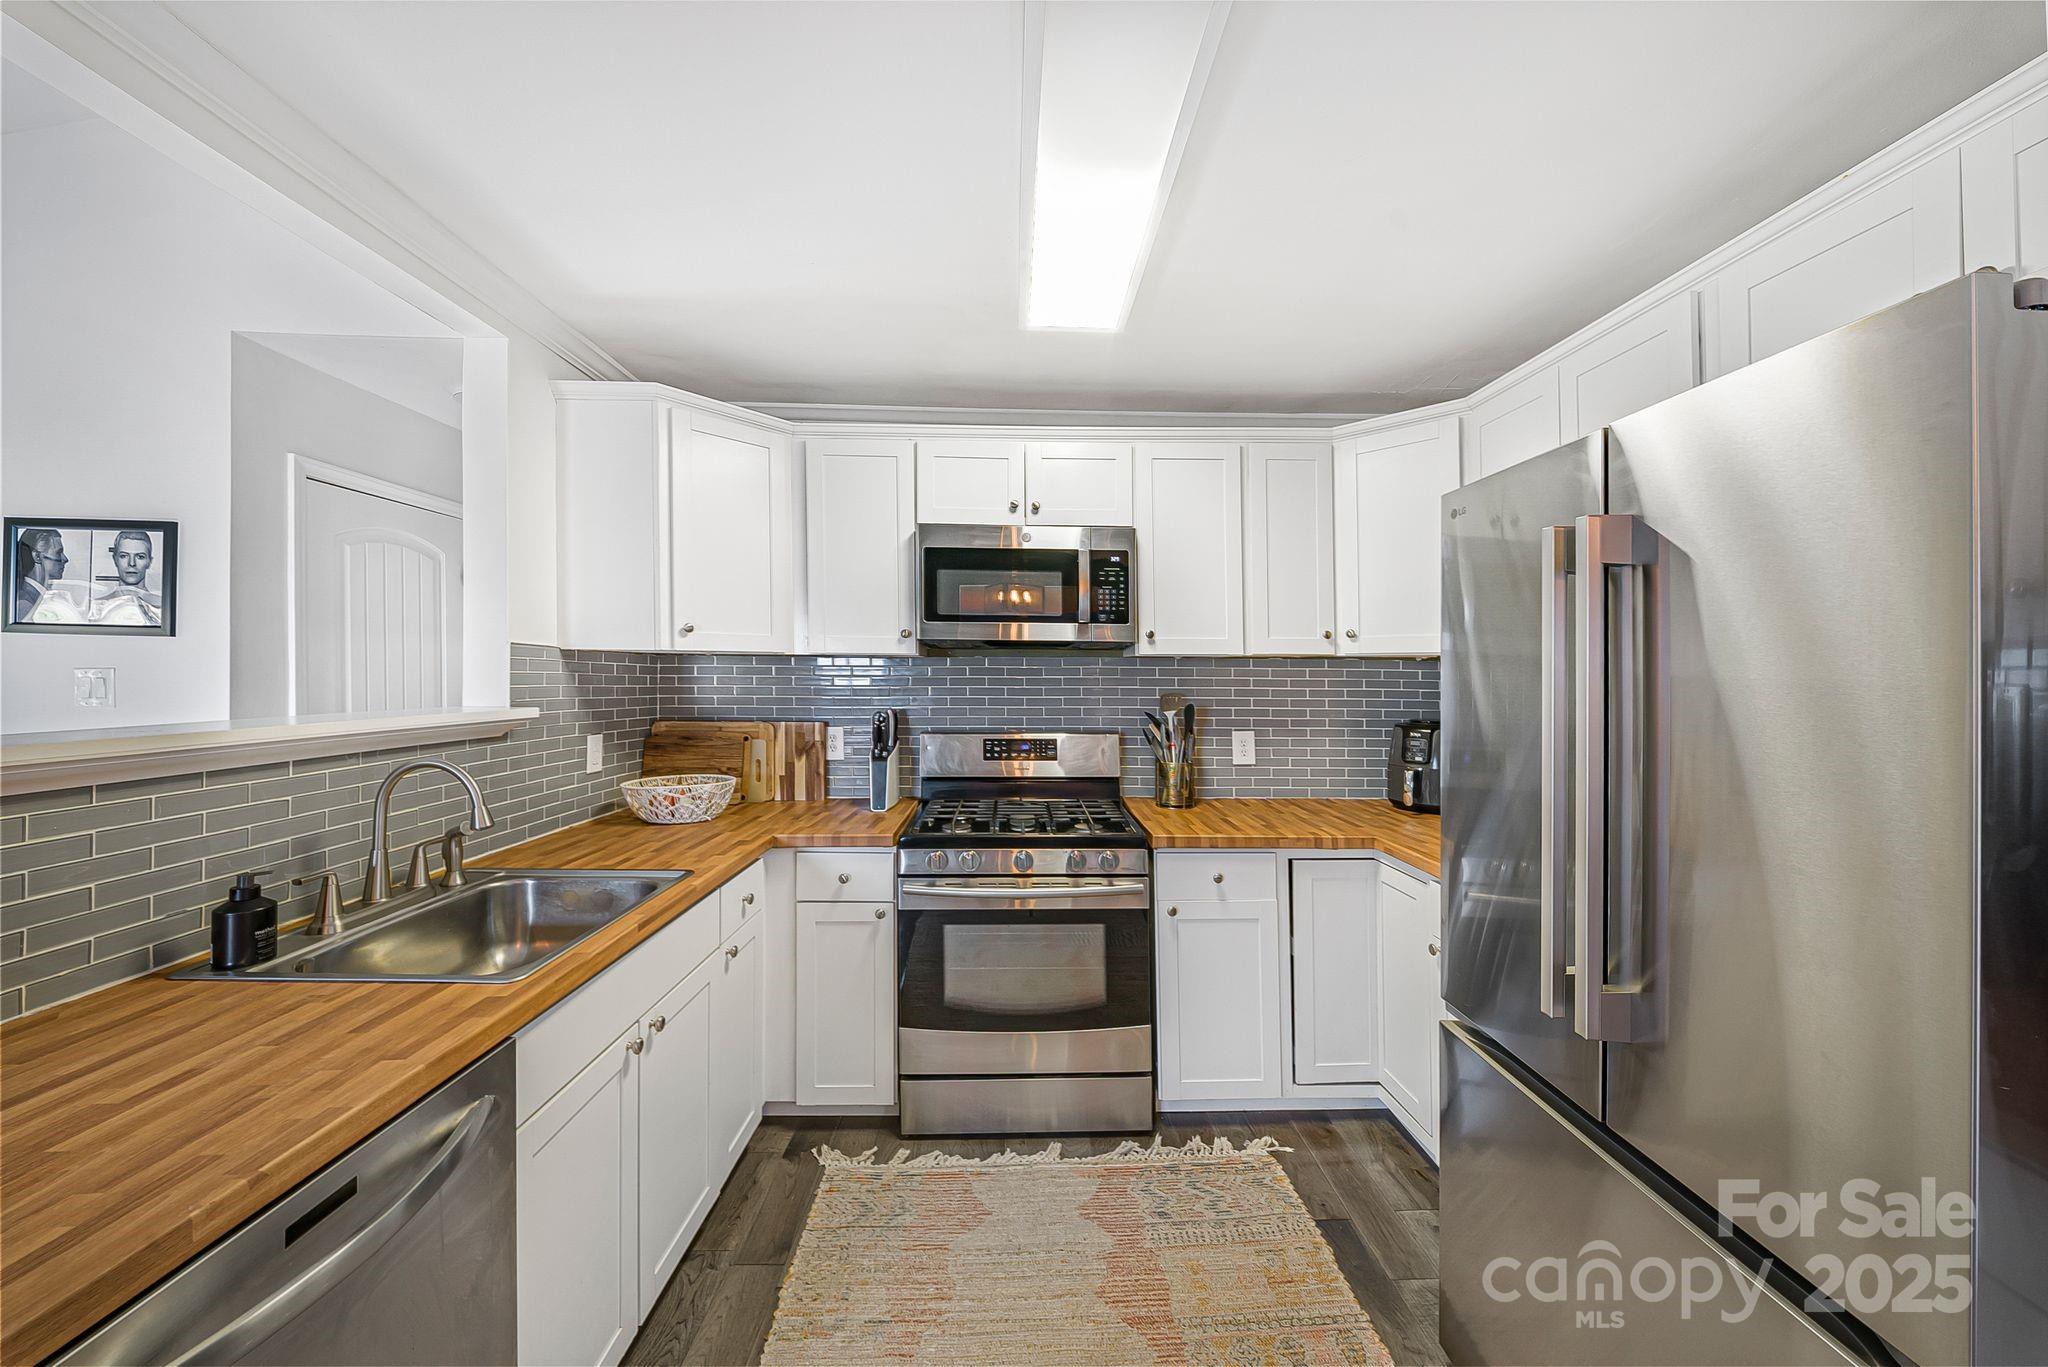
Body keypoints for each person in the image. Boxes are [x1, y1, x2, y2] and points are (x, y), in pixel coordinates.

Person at [91, 529, 162, 626]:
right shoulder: (97, 607)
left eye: (140, 557)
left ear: (149, 561)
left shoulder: (162, 607)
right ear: (115, 559)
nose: (131, 563)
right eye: (124, 556)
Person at [11, 527, 66, 623]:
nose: (65, 559)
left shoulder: (35, 597)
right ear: (37, 556)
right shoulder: (25, 604)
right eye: (58, 552)